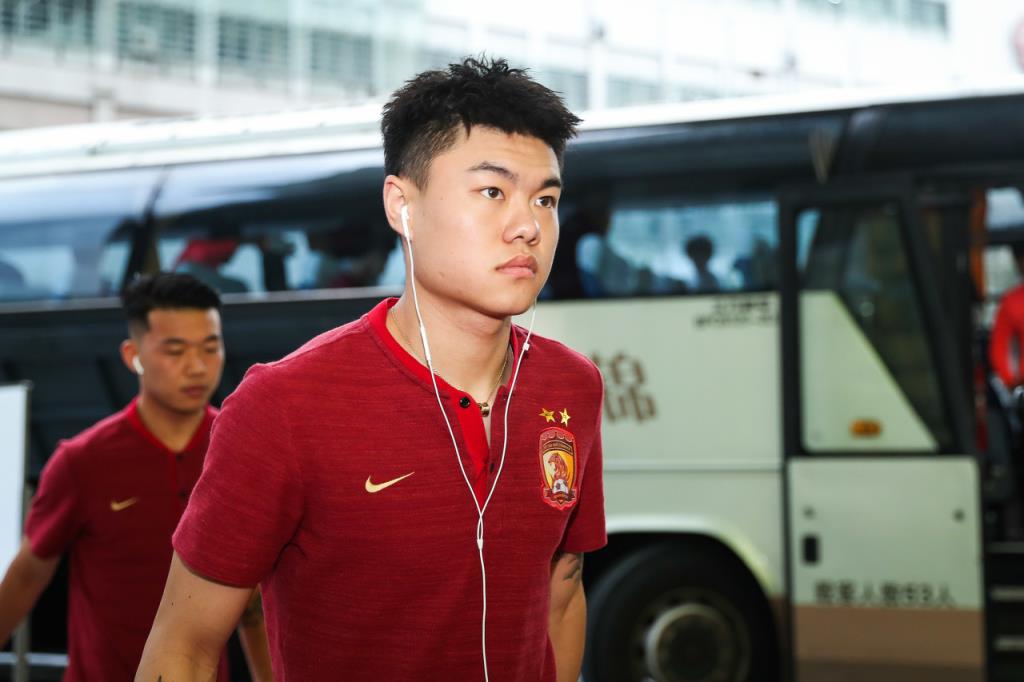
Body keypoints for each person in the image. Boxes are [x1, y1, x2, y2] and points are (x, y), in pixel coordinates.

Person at [137, 56, 607, 682]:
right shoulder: (285, 404)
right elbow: (185, 646)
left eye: (545, 199)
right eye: (493, 192)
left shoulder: (572, 386)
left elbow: (563, 592)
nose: (528, 227)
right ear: (401, 206)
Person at [0, 272, 272, 681]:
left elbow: (254, 602)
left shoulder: (242, 449)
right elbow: (26, 577)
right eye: (175, 350)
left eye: (210, 347)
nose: (197, 366)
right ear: (133, 356)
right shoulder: (83, 461)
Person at [991, 243, 1024, 388]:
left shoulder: (1012, 301)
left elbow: (1000, 350)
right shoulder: (1012, 302)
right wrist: (1013, 383)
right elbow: (1001, 349)